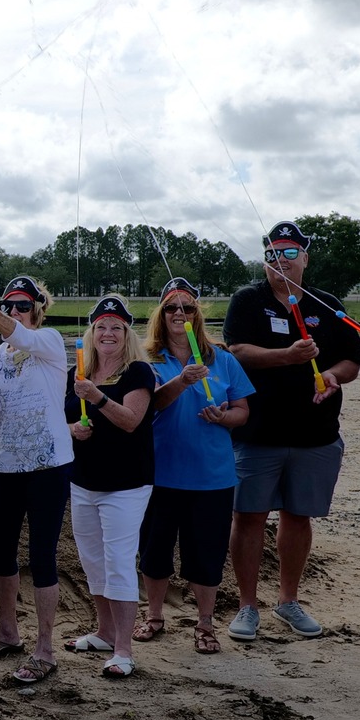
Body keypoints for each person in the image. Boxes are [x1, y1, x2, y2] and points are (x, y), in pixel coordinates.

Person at [220, 220, 360, 641]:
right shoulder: (248, 299)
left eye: (287, 253)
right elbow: (238, 352)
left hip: (315, 433)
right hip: (258, 431)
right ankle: (247, 605)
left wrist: (332, 377)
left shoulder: (327, 303)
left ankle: (288, 600)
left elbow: (351, 361)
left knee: (298, 516)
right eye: (271, 254)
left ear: (304, 257)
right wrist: (288, 357)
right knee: (248, 516)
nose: (278, 261)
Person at [0, 275, 71, 684]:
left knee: (42, 557)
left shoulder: (50, 342)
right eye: (9, 305)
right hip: (6, 465)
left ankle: (45, 648)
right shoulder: (5, 350)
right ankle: (8, 634)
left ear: (37, 310)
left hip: (48, 467)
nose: (13, 311)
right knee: (0, 553)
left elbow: (20, 335)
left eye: (22, 305)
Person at [141, 279, 253, 655]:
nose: (178, 314)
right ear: (160, 315)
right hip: (159, 473)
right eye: (170, 308)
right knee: (154, 551)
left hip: (211, 476)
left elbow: (242, 411)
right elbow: (148, 407)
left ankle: (205, 624)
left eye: (186, 308)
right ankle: (154, 616)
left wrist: (224, 417)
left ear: (197, 315)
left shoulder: (222, 359)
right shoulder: (147, 358)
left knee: (205, 554)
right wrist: (179, 381)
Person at [66, 296, 157, 678]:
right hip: (83, 481)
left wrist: (98, 398)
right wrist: (73, 429)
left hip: (126, 483)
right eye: (101, 326)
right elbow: (64, 418)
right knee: (92, 559)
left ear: (126, 334)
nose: (107, 333)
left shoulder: (138, 372)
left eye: (115, 328)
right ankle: (104, 632)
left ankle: (124, 649)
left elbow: (131, 420)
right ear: (91, 332)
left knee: (119, 561)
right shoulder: (79, 370)